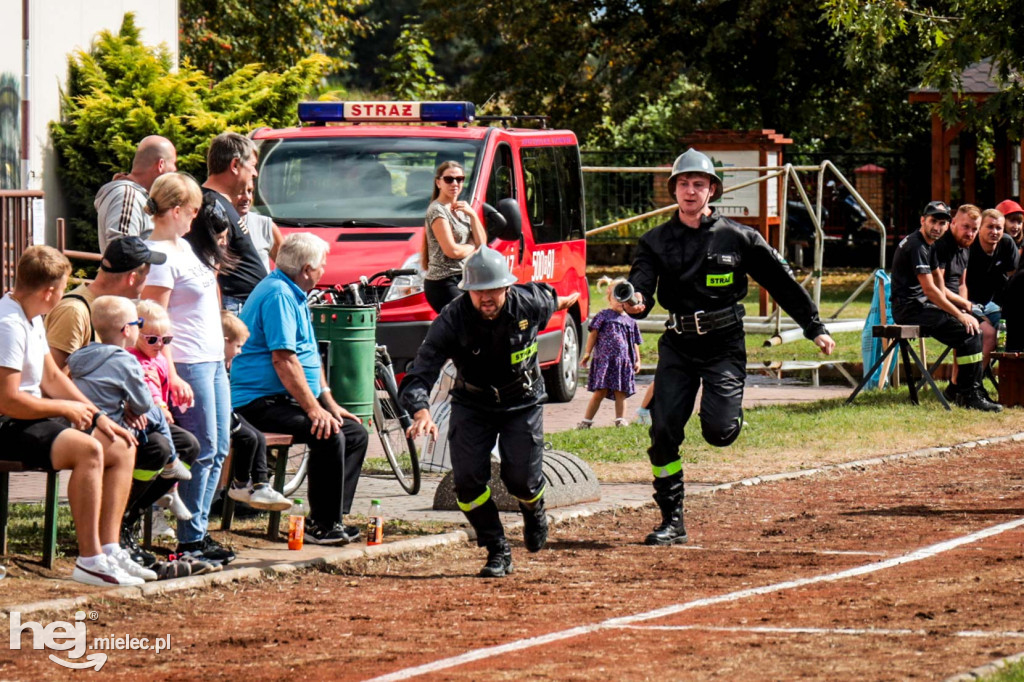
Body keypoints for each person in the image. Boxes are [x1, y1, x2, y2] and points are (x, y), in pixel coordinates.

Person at [624, 148, 836, 547]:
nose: (690, 191)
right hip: (678, 346)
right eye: (683, 184)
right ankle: (673, 520)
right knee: (664, 429)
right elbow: (641, 288)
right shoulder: (654, 240)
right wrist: (634, 301)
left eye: (698, 184)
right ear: (674, 190)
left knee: (719, 432)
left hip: (724, 345)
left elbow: (781, 282)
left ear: (712, 190)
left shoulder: (738, 237)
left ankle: (726, 408)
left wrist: (813, 326)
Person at [400, 246, 580, 578]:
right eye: (479, 291)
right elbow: (420, 372)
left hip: (522, 402)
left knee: (521, 480)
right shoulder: (452, 319)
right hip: (473, 404)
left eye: (494, 289)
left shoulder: (529, 302)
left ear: (507, 286)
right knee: (467, 484)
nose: (487, 297)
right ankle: (497, 546)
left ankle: (533, 508)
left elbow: (554, 298)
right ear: (467, 290)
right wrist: (421, 410)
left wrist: (567, 301)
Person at [0, 246, 142, 586]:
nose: (65, 294)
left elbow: (53, 378)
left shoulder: (31, 317)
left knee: (120, 444)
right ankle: (89, 559)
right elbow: (8, 401)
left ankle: (109, 549)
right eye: (64, 287)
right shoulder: (8, 324)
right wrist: (65, 408)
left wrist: (97, 417)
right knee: (88, 450)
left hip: (30, 419)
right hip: (8, 425)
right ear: (50, 291)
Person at [231, 233, 368, 544]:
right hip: (257, 402)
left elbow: (308, 354)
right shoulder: (278, 294)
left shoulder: (294, 291)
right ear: (307, 269)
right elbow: (284, 360)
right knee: (328, 433)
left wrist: (328, 402)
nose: (324, 270)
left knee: (354, 433)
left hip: (282, 397)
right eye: (322, 265)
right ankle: (324, 525)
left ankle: (331, 517)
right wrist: (312, 409)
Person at [141, 172, 235, 564]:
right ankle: (190, 538)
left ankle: (196, 530)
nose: (196, 219)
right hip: (187, 361)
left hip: (210, 358)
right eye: (193, 211)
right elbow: (152, 319)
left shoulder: (183, 246)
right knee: (203, 448)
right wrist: (171, 372)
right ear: (176, 210)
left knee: (219, 446)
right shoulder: (159, 254)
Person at [65, 296, 198, 570]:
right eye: (138, 324)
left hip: (94, 423)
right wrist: (131, 405)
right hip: (112, 428)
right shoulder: (126, 361)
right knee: (160, 433)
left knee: (190, 444)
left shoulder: (82, 354)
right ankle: (123, 518)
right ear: (128, 330)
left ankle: (133, 510)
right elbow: (143, 403)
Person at [889, 201, 1000, 412]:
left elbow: (941, 287)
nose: (937, 227)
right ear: (923, 220)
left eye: (942, 223)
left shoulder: (929, 244)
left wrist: (965, 310)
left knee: (971, 329)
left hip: (920, 306)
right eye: (933, 221)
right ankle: (968, 394)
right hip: (909, 309)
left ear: (947, 225)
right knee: (967, 332)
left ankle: (968, 390)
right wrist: (960, 315)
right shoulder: (917, 245)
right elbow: (930, 291)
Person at [45, 236, 164, 370]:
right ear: (132, 278)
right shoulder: (74, 310)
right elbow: (51, 376)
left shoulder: (114, 310)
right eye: (145, 276)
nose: (146, 282)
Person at [129, 300, 196, 526]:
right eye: (152, 339)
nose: (159, 345)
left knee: (189, 445)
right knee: (161, 448)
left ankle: (164, 490)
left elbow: (163, 386)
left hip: (156, 420)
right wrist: (161, 407)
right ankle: (131, 504)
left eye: (165, 340)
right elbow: (148, 387)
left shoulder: (158, 358)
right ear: (136, 335)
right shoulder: (133, 357)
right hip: (139, 420)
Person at [222, 311, 291, 511]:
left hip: (229, 413)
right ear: (225, 342)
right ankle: (242, 484)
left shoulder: (224, 364)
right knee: (248, 437)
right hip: (224, 416)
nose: (240, 352)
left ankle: (259, 485)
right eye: (238, 346)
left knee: (256, 436)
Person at [202, 132, 267, 313]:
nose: (255, 173)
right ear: (235, 165)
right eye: (252, 166)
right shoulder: (212, 205)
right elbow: (211, 268)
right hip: (234, 307)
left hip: (243, 305)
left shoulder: (220, 203)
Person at [420, 161, 487, 313]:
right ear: (438, 182)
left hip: (465, 279)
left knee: (472, 326)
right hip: (443, 282)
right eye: (449, 179)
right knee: (465, 324)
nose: (455, 183)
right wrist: (472, 246)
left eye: (460, 179)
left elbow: (482, 243)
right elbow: (452, 251)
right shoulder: (437, 210)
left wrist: (473, 215)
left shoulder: (463, 208)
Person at [929, 204, 981, 395]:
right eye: (966, 227)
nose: (970, 233)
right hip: (937, 305)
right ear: (953, 223)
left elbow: (961, 284)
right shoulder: (942, 246)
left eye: (974, 229)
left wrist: (966, 308)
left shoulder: (965, 247)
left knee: (984, 326)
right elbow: (938, 287)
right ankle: (968, 390)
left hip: (956, 305)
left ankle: (960, 385)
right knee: (973, 332)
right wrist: (963, 308)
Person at [578, 277, 642, 429]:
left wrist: (638, 360)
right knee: (600, 391)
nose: (620, 302)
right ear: (609, 298)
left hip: (622, 361)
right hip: (605, 360)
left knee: (621, 392)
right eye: (616, 297)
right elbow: (593, 334)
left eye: (624, 298)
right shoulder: (603, 315)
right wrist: (587, 353)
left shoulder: (630, 321)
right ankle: (586, 421)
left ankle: (620, 420)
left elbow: (634, 342)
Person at [95, 136, 177, 252]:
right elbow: (122, 252)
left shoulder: (136, 196)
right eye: (173, 164)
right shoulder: (127, 196)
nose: (175, 170)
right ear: (161, 165)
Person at [966, 209, 1018, 366]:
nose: (994, 232)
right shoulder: (968, 246)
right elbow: (958, 283)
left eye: (999, 228)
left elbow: (1015, 278)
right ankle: (974, 384)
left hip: (995, 305)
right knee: (988, 334)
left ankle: (1009, 381)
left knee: (1013, 332)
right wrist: (971, 309)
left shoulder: (1007, 243)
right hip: (968, 303)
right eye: (989, 227)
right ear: (980, 227)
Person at [233, 182, 282, 273]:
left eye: (250, 191)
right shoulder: (216, 226)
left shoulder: (266, 225)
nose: (247, 197)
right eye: (240, 192)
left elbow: (288, 270)